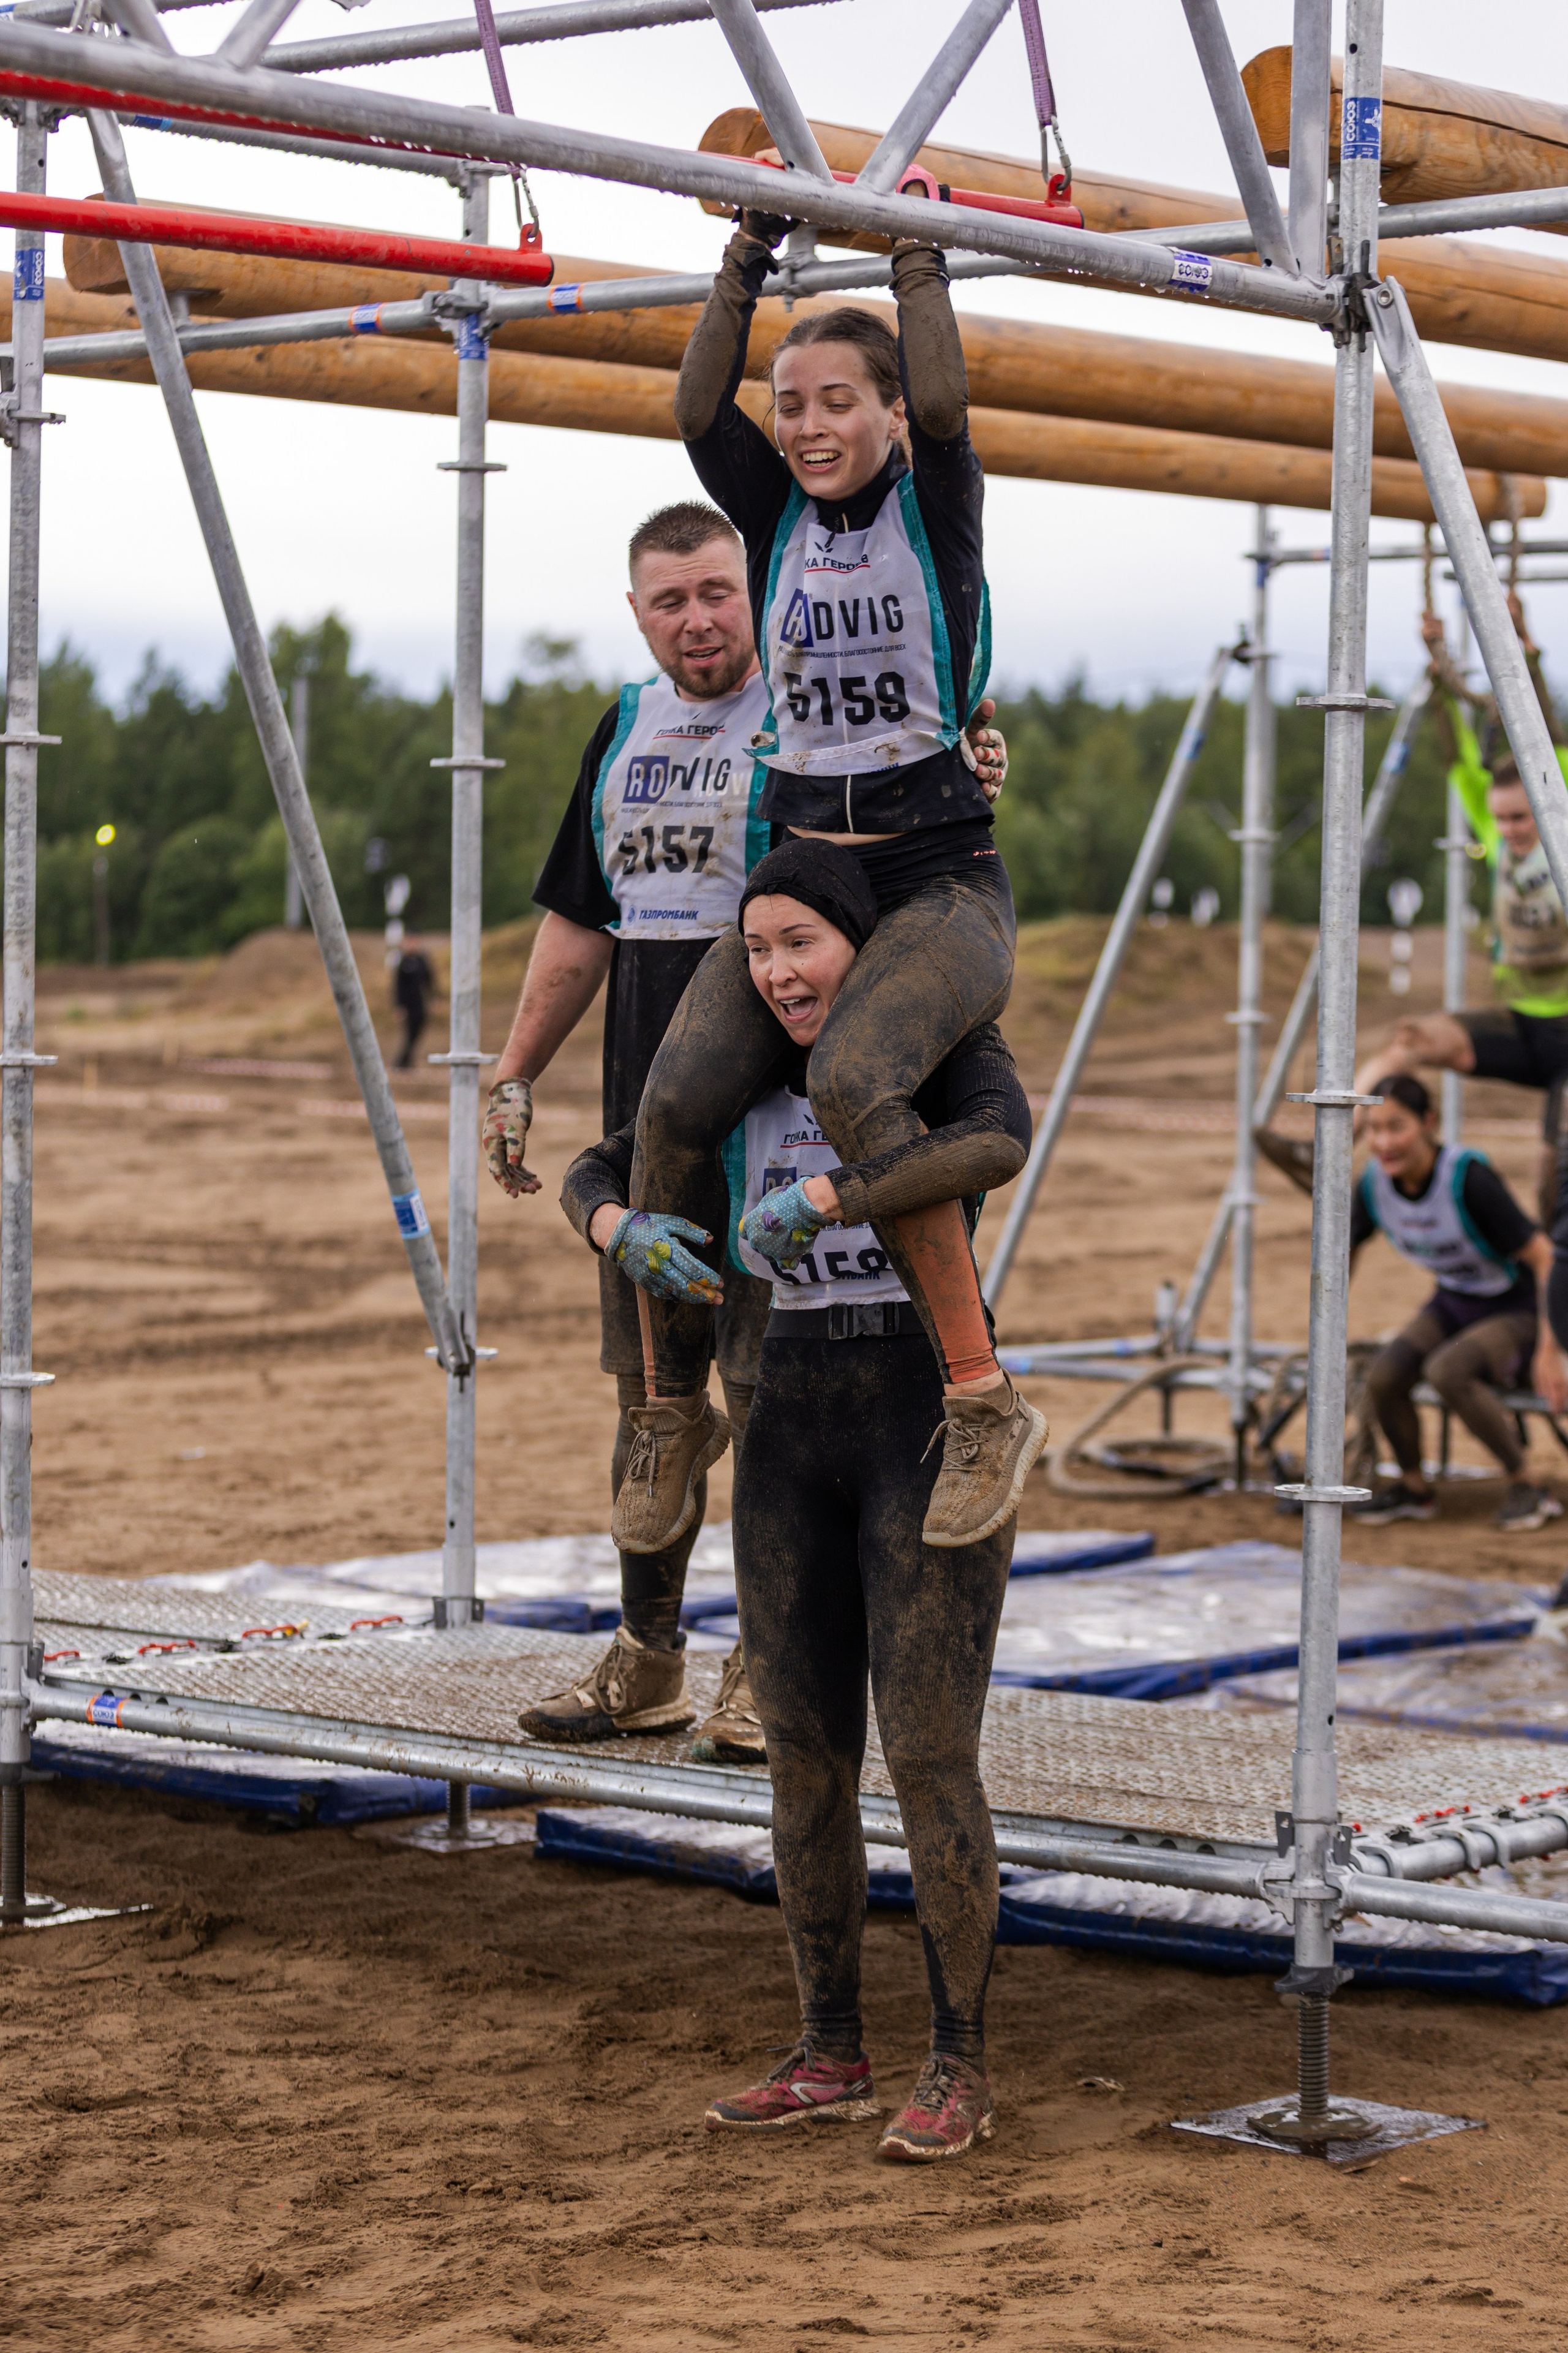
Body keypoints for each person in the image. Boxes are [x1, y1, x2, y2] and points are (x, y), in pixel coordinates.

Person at [482, 498, 1010, 1755]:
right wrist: (511, 1073)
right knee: (650, 1387)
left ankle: (768, 1664)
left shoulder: (819, 702)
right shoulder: (621, 724)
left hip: (772, 1070)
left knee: (775, 1377)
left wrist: (983, 756)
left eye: (719, 591)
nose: (698, 619)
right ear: (635, 614)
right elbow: (579, 915)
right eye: (669, 599)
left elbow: (934, 754)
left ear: (757, 596)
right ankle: (645, 1656)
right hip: (652, 1078)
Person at [557, 839, 1033, 2162]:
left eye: (800, 946)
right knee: (804, 1763)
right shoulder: (737, 1071)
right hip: (780, 1440)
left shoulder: (922, 1052)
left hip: (920, 1430)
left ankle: (959, 2066)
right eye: (754, 951)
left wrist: (832, 1190)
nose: (776, 974)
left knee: (928, 1758)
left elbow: (997, 1140)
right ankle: (827, 2048)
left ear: (861, 952)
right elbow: (603, 1167)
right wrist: (618, 1233)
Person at [617, 208, 1037, 1566]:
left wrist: (915, 255)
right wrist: (740, 265)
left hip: (932, 866)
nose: (804, 426)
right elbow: (695, 408)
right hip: (804, 864)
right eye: (790, 404)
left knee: (859, 1076)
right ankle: (675, 1407)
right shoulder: (775, 512)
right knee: (673, 1103)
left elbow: (954, 394)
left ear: (896, 414)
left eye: (837, 403)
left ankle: (979, 1396)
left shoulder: (932, 497)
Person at [1257, 597, 1568, 1219]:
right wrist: (1436, 664)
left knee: (1552, 1170)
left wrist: (1525, 647)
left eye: (1518, 818)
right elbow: (1454, 756)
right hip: (1524, 1020)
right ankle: (1324, 1150)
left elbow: (1546, 739)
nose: (1509, 829)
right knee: (1411, 1038)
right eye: (1501, 819)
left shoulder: (1558, 809)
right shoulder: (1489, 819)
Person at [1349, 1074, 1566, 1528]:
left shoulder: (1468, 1178)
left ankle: (1528, 1485)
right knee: (1384, 1376)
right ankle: (1414, 1490)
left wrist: (1552, 1348)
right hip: (1455, 1301)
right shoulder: (1373, 1184)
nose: (1384, 1142)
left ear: (1429, 1123)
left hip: (1521, 1306)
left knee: (1448, 1369)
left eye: (1397, 1126)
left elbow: (1546, 1257)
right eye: (1373, 1129)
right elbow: (1338, 1253)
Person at [392, 931, 435, 1071]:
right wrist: (399, 1006)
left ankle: (406, 1060)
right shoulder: (403, 961)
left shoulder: (422, 960)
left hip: (419, 1002)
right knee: (410, 1032)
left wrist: (434, 999)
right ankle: (403, 1062)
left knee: (418, 1030)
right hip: (408, 1003)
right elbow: (398, 986)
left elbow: (429, 981)